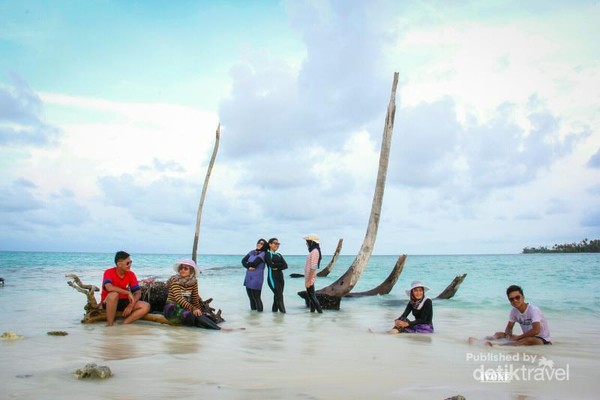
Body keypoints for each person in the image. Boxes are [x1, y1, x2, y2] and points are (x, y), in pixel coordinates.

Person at [163, 259, 223, 330]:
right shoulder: (175, 281)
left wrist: (199, 310)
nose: (182, 270)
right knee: (191, 314)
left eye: (185, 268)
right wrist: (194, 309)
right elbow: (179, 299)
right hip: (172, 309)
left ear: (191, 271)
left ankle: (215, 329)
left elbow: (195, 299)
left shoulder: (194, 282)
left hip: (184, 308)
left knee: (198, 315)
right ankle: (219, 329)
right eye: (181, 268)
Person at [486, 284, 551, 346]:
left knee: (529, 340)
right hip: (526, 337)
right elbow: (509, 328)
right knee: (499, 334)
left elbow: (536, 330)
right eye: (511, 299)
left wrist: (518, 337)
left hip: (542, 340)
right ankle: (481, 341)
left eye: (517, 297)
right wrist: (508, 336)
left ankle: (500, 345)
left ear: (523, 297)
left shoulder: (533, 310)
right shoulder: (514, 311)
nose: (515, 300)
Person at [101, 251, 151, 326]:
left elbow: (138, 292)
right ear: (119, 264)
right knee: (114, 295)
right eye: (127, 263)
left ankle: (123, 324)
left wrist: (131, 305)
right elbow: (109, 287)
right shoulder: (109, 272)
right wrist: (127, 292)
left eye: (131, 262)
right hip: (109, 302)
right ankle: (110, 325)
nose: (130, 265)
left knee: (146, 306)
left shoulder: (131, 274)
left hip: (124, 301)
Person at [241, 238, 268, 312]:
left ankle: (259, 317)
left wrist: (248, 265)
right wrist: (248, 267)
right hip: (248, 277)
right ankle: (253, 317)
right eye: (258, 243)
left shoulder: (263, 254)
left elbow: (254, 264)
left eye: (261, 243)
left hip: (257, 278)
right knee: (250, 297)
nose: (259, 244)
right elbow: (243, 261)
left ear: (264, 246)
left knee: (257, 297)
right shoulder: (252, 252)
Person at [265, 237, 288, 313]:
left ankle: (275, 317)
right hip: (272, 278)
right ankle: (284, 314)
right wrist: (279, 265)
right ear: (270, 244)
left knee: (276, 297)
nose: (277, 245)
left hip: (281, 279)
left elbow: (285, 265)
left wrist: (277, 267)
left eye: (278, 244)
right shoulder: (268, 254)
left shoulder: (279, 255)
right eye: (275, 243)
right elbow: (271, 265)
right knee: (280, 297)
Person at [304, 233, 323, 313]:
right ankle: (312, 313)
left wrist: (309, 280)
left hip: (310, 277)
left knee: (312, 296)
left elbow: (313, 267)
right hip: (309, 276)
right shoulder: (314, 251)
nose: (306, 244)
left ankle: (320, 313)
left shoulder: (315, 252)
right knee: (311, 296)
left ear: (312, 242)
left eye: (307, 242)